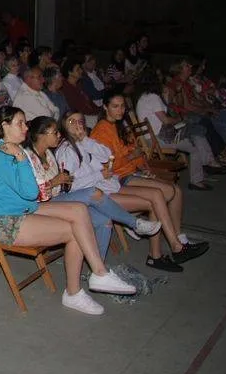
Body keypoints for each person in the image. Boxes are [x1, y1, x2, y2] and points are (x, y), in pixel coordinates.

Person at [0, 106, 136, 315]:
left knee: (80, 210)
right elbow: (29, 191)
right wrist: (20, 159)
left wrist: (20, 157)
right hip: (7, 221)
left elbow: (30, 195)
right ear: (4, 126)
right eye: (20, 123)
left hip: (26, 209)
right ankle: (74, 292)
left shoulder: (14, 149)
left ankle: (99, 273)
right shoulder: (5, 155)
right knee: (75, 231)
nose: (26, 127)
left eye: (26, 122)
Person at [91, 92, 209, 270]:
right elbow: (108, 166)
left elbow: (134, 150)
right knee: (165, 193)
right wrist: (132, 157)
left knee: (176, 190)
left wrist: (144, 168)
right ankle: (175, 247)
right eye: (115, 106)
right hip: (119, 178)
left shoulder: (120, 125)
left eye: (122, 106)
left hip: (130, 173)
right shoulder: (101, 130)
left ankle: (177, 241)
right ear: (105, 107)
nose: (120, 110)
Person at [57, 111, 186, 272]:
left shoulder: (84, 143)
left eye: (80, 122)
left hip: (108, 186)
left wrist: (86, 140)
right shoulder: (67, 150)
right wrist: (99, 174)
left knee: (156, 196)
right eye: (71, 122)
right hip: (95, 195)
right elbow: (70, 185)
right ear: (63, 126)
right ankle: (156, 251)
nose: (77, 125)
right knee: (152, 201)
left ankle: (161, 250)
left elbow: (106, 155)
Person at [24, 116, 161, 258]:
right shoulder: (29, 157)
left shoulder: (49, 154)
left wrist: (64, 181)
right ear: (41, 135)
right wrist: (54, 182)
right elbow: (31, 192)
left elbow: (107, 156)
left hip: (61, 197)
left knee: (104, 221)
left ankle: (98, 272)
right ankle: (134, 223)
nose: (59, 135)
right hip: (44, 204)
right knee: (94, 192)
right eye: (55, 132)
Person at [134, 70, 226, 191]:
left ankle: (208, 164)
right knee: (194, 144)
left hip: (153, 136)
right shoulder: (153, 97)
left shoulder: (143, 97)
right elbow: (166, 120)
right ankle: (200, 175)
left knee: (195, 132)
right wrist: (179, 118)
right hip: (159, 138)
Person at [59, 58, 101, 128]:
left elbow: (89, 101)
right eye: (78, 69)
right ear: (70, 72)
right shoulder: (66, 88)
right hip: (78, 118)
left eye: (80, 68)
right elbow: (78, 108)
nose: (81, 71)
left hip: (89, 114)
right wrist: (96, 113)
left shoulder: (78, 85)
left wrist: (99, 110)